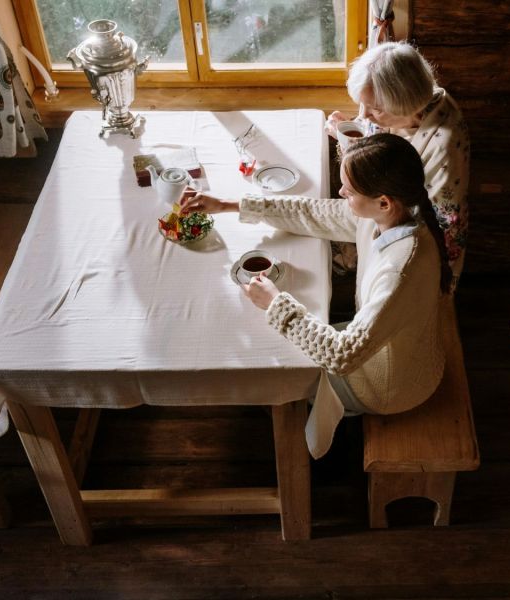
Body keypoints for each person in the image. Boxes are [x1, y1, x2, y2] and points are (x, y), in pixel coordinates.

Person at [180, 134, 450, 457]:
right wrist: (229, 205)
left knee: (278, 362)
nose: (341, 194)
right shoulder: (393, 215)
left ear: (383, 201)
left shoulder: (400, 268)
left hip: (391, 384)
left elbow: (341, 355)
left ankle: (291, 444)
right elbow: (314, 212)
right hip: (395, 352)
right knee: (285, 334)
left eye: (349, 192)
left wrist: (276, 304)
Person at [326, 41, 471, 286]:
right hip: (381, 215)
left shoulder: (442, 148)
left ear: (404, 105)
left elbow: (441, 227)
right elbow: (380, 151)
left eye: (375, 109)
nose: (363, 115)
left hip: (417, 250)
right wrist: (349, 134)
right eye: (363, 105)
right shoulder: (406, 105)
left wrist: (350, 151)